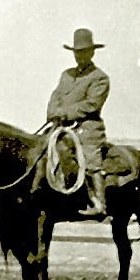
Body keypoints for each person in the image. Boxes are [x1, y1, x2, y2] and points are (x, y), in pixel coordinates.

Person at [46, 28, 110, 217]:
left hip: (86, 127)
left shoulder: (100, 78)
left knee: (90, 159)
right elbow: (55, 96)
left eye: (84, 51)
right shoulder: (66, 75)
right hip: (61, 126)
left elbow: (92, 104)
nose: (80, 55)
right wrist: (52, 112)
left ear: (92, 52)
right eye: (77, 52)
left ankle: (99, 203)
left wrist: (64, 113)